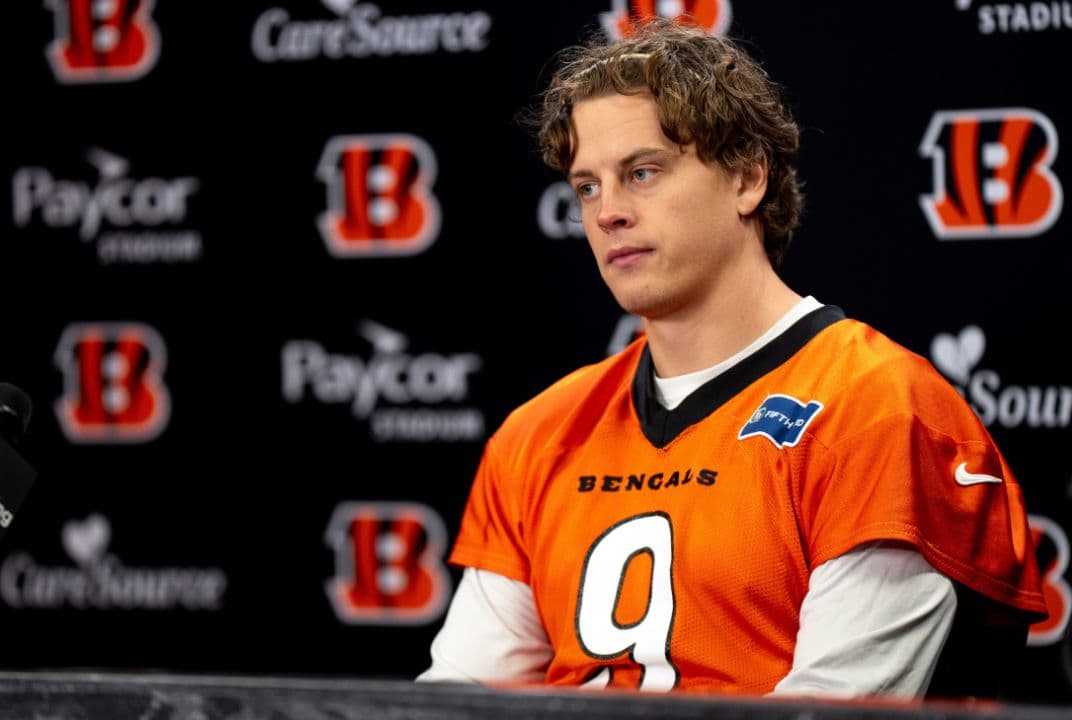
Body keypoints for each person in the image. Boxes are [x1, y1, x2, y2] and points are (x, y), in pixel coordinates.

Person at [417, 18, 1047, 697]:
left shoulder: (876, 410)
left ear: (747, 178)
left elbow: (828, 716)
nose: (607, 214)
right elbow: (456, 701)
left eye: (642, 173)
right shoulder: (539, 434)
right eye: (588, 186)